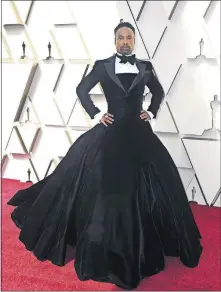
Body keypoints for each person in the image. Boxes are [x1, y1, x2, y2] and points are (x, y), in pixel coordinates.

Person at [7, 21, 202, 290]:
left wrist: (152, 111)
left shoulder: (145, 67)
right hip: (109, 135)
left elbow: (157, 92)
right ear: (115, 42)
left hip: (139, 134)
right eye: (121, 38)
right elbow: (81, 90)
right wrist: (97, 114)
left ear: (134, 41)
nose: (125, 41)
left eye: (129, 38)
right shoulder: (102, 65)